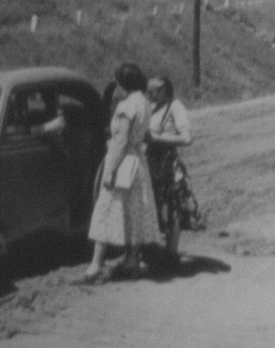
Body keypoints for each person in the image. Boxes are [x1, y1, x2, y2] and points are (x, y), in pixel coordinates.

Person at [81, 62, 162, 283]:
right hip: (138, 163)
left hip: (123, 161)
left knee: (106, 209)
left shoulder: (127, 105)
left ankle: (95, 265)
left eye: (118, 82)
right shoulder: (144, 102)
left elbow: (122, 140)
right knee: (134, 210)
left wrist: (110, 171)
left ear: (124, 83)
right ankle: (132, 259)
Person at [147, 76, 203, 257]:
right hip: (150, 163)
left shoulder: (175, 107)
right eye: (148, 90)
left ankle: (171, 253)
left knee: (172, 207)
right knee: (154, 205)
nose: (150, 94)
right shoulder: (151, 107)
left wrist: (157, 138)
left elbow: (187, 138)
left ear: (166, 90)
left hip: (167, 164)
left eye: (154, 91)